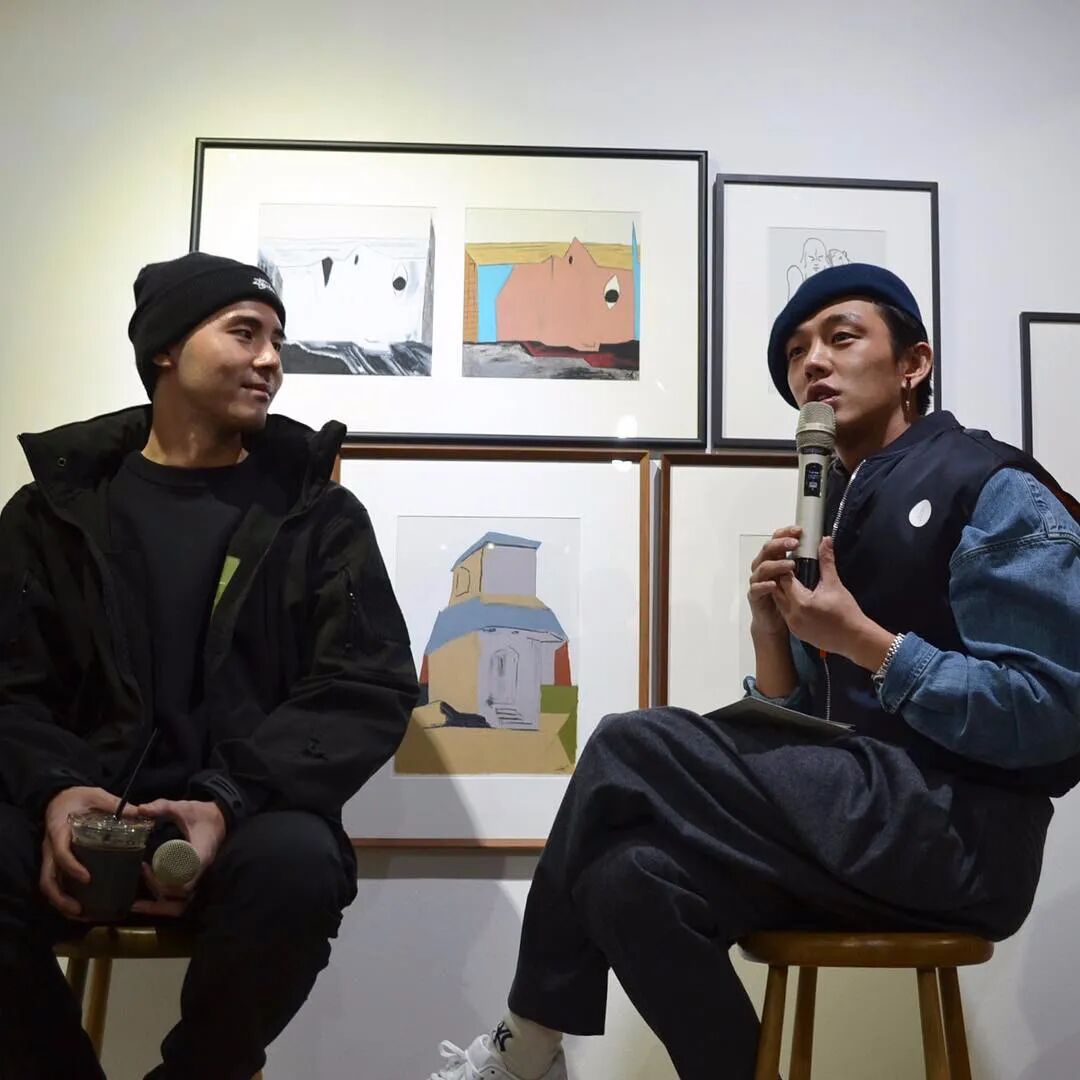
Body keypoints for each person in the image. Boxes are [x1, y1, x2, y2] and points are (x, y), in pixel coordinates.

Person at [424, 263, 1080, 1080]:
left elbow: (1054, 712)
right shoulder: (835, 514)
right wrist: (773, 635)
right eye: (798, 353)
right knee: (626, 880)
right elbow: (815, 725)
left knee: (630, 744)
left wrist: (866, 642)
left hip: (959, 841)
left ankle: (523, 1049)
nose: (813, 364)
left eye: (842, 337)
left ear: (914, 363)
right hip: (854, 830)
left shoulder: (992, 486)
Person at [0, 252, 419, 1080]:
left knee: (299, 867)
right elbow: (9, 686)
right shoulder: (51, 513)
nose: (271, 360)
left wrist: (228, 799)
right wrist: (53, 791)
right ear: (164, 348)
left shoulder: (318, 516)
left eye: (278, 341)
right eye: (245, 333)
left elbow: (365, 684)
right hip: (76, 809)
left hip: (247, 812)